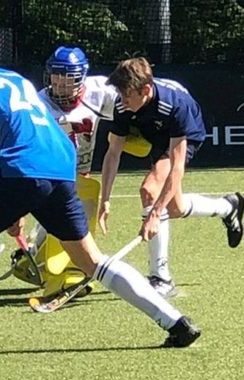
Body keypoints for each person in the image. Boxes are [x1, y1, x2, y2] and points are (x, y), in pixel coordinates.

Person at [0, 13, 200, 362]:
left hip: (22, 168)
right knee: (92, 261)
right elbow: (22, 129)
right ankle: (175, 322)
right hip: (60, 165)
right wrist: (11, 206)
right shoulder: (15, 79)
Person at [99, 57, 243, 296]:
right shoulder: (123, 104)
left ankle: (161, 278)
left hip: (185, 136)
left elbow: (177, 167)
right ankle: (229, 207)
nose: (122, 102)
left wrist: (154, 214)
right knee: (174, 208)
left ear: (145, 90)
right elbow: (113, 153)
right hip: (156, 136)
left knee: (150, 191)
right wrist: (105, 199)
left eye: (127, 97)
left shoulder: (175, 106)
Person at [6, 46, 117, 299]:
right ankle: (69, 271)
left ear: (81, 78)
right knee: (69, 221)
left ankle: (32, 258)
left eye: (68, 80)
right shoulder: (38, 102)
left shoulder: (100, 91)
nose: (60, 86)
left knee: (66, 219)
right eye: (56, 79)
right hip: (51, 173)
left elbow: (127, 109)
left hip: (81, 172)